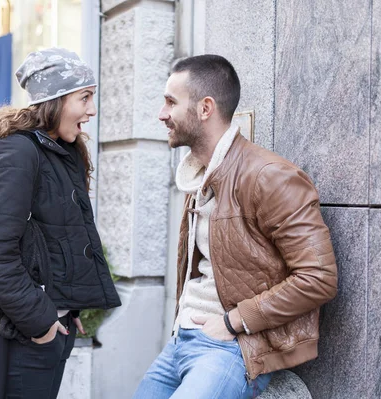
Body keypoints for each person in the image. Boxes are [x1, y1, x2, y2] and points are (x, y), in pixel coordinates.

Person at [133, 54, 338, 399]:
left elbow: (319, 278)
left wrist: (233, 322)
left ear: (205, 108)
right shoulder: (201, 177)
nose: (161, 113)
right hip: (183, 337)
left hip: (233, 347)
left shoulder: (270, 176)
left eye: (171, 102)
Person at [0, 47, 121, 398]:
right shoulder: (16, 153)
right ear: (56, 99)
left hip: (47, 327)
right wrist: (41, 321)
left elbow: (53, 238)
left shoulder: (58, 152)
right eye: (85, 97)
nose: (92, 110)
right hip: (21, 333)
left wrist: (67, 306)